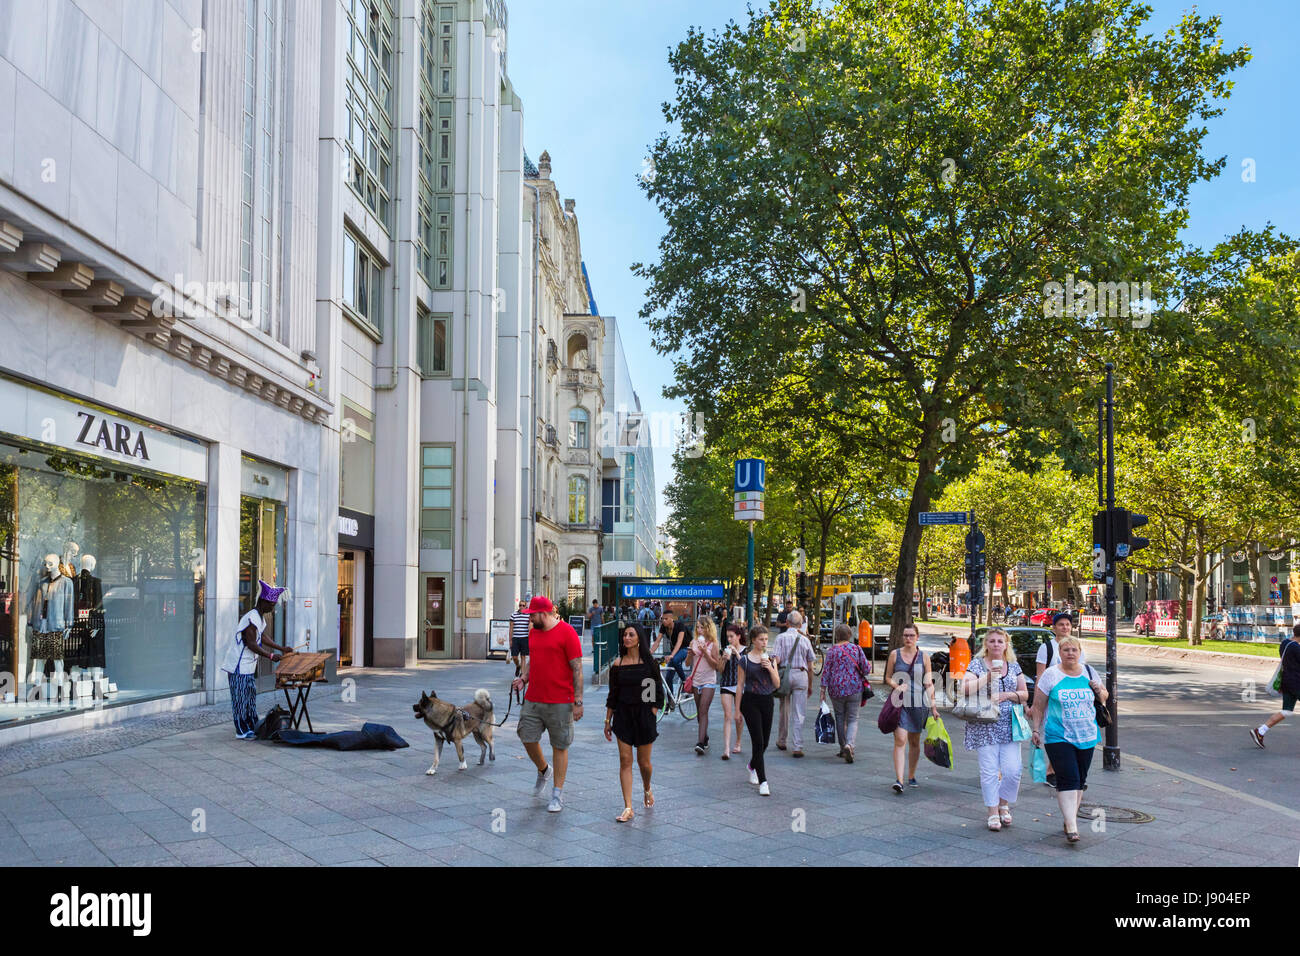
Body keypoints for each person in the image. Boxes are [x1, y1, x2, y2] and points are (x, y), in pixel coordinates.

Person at [1028, 635, 1107, 843]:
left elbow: (1104, 697)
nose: (1070, 653)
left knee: (1080, 779)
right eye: (1065, 650)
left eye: (1074, 650)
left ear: (1080, 653)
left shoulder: (1089, 671)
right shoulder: (1051, 675)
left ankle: (1068, 817)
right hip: (1058, 735)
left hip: (1088, 734)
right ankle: (1072, 826)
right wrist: (1036, 730)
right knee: (1068, 778)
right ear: (1060, 654)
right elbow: (1038, 704)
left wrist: (1098, 689)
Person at [512, 596, 583, 813]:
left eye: (532, 615)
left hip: (561, 700)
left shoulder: (567, 633)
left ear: (544, 613)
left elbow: (577, 668)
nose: (530, 619)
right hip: (534, 697)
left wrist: (578, 701)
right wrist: (524, 678)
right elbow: (534, 660)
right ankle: (544, 770)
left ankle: (557, 794)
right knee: (526, 736)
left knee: (560, 745)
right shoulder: (534, 633)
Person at [960, 627, 1028, 830]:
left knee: (1013, 770)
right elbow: (964, 688)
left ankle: (1004, 804)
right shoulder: (977, 664)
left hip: (1009, 724)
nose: (996, 644)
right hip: (984, 724)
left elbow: (1024, 694)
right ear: (986, 645)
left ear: (1006, 644)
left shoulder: (1013, 666)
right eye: (992, 641)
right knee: (989, 770)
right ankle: (992, 812)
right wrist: (988, 677)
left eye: (1000, 641)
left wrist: (1008, 695)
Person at [604, 623, 663, 822]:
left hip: (644, 716)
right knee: (625, 760)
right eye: (625, 635)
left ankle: (647, 788)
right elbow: (613, 695)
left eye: (631, 634)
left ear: (639, 638)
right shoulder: (618, 665)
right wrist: (607, 719)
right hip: (622, 716)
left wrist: (651, 712)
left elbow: (657, 694)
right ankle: (628, 807)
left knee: (644, 763)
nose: (626, 638)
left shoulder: (649, 664)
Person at [220, 580, 289, 738]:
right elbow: (251, 643)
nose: (273, 608)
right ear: (263, 602)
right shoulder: (251, 617)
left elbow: (262, 637)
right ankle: (241, 730)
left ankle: (252, 724)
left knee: (249, 698)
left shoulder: (260, 618)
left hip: (248, 666)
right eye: (271, 605)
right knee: (240, 699)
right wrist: (270, 655)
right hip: (239, 666)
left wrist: (281, 648)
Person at [883, 622, 939, 792]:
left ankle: (911, 775)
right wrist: (896, 686)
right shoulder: (894, 655)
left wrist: (934, 707)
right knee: (900, 739)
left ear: (917, 637)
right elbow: (887, 677)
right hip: (899, 703)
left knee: (914, 741)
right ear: (902, 637)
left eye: (911, 635)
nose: (908, 638)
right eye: (906, 635)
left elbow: (929, 683)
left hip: (919, 704)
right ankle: (899, 780)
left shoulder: (924, 657)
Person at [1036, 611, 1086, 787]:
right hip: (1052, 700)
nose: (1065, 627)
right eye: (1061, 625)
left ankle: (1057, 770)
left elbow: (1082, 672)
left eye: (1067, 625)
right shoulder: (1047, 648)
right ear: (1054, 627)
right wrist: (1036, 706)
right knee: (1054, 734)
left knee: (1070, 734)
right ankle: (1051, 771)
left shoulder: (1077, 647)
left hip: (1072, 701)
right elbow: (1040, 677)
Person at [736, 625, 780, 795]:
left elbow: (776, 684)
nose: (764, 642)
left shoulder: (771, 658)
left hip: (767, 700)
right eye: (761, 639)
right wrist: (737, 710)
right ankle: (763, 781)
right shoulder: (744, 660)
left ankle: (752, 765)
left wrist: (769, 667)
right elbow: (740, 685)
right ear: (753, 640)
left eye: (766, 639)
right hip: (750, 701)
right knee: (758, 741)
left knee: (766, 742)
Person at [818, 623, 871, 762]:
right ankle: (850, 744)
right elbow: (866, 669)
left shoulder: (831, 651)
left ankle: (843, 748)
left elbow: (826, 672)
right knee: (853, 718)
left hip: (836, 689)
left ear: (837, 636)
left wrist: (822, 690)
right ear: (849, 635)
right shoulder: (856, 649)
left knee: (840, 717)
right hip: (854, 687)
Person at [1251, 622, 1300, 748]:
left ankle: (1260, 731)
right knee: (1286, 711)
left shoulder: (1285, 643)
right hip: (1296, 683)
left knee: (1287, 711)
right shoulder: (1296, 649)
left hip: (1286, 682)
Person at [773, 611, 815, 756]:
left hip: (785, 674)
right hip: (801, 675)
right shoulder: (805, 640)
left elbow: (776, 659)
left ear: (788, 623)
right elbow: (810, 667)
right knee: (799, 712)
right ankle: (797, 746)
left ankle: (782, 740)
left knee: (784, 709)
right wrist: (810, 685)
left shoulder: (780, 638)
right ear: (800, 625)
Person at [686, 616, 724, 754]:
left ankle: (700, 743)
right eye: (697, 627)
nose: (699, 630)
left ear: (708, 628)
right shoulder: (693, 642)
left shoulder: (714, 644)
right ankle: (705, 736)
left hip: (709, 680)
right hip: (696, 680)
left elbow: (716, 666)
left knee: (703, 709)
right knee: (699, 713)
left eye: (702, 627)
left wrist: (704, 653)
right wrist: (690, 655)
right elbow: (687, 664)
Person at [717, 623, 747, 759]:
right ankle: (726, 749)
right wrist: (723, 659)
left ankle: (738, 741)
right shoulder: (725, 650)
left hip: (740, 686)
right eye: (727, 637)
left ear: (738, 636)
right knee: (727, 716)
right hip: (726, 684)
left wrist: (736, 653)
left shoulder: (746, 651)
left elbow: (748, 668)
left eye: (731, 636)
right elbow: (720, 670)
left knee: (738, 716)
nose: (729, 640)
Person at [654, 611, 691, 701]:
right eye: (662, 619)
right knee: (668, 678)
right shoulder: (664, 627)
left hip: (686, 648)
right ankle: (671, 700)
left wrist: (671, 655)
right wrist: (648, 652)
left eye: (666, 619)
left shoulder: (679, 625)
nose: (663, 621)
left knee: (674, 660)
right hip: (675, 651)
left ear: (672, 619)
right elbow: (657, 641)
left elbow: (679, 642)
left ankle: (685, 682)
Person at [509, 599, 531, 677]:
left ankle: (523, 674)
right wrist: (510, 640)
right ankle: (518, 666)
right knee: (514, 657)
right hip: (516, 638)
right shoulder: (513, 615)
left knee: (523, 656)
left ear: (526, 606)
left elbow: (530, 627)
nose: (521, 607)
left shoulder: (528, 615)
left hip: (525, 638)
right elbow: (511, 628)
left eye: (523, 605)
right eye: (520, 605)